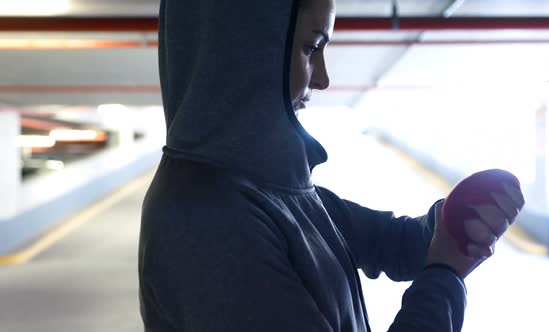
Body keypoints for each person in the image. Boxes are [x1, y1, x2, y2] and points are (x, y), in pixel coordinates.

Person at [138, 0, 525, 331]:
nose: (323, 79)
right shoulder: (210, 221)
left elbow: (393, 243)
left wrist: (457, 224)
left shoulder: (275, 189)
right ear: (247, 50)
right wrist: (445, 277)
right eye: (311, 48)